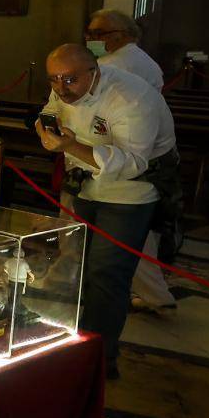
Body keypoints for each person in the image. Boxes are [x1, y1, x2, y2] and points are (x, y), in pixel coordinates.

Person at [37, 43, 176, 379]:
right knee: (75, 263)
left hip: (131, 191)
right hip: (86, 182)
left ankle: (98, 360)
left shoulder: (131, 99)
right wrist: (47, 127)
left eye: (68, 80)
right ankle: (68, 342)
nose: (60, 89)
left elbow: (132, 162)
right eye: (53, 80)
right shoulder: (65, 88)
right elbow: (52, 109)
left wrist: (69, 145)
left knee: (108, 275)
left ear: (93, 72)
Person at [85, 9, 164, 89]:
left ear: (123, 34)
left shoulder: (107, 65)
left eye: (98, 33)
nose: (89, 39)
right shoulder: (149, 62)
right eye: (89, 33)